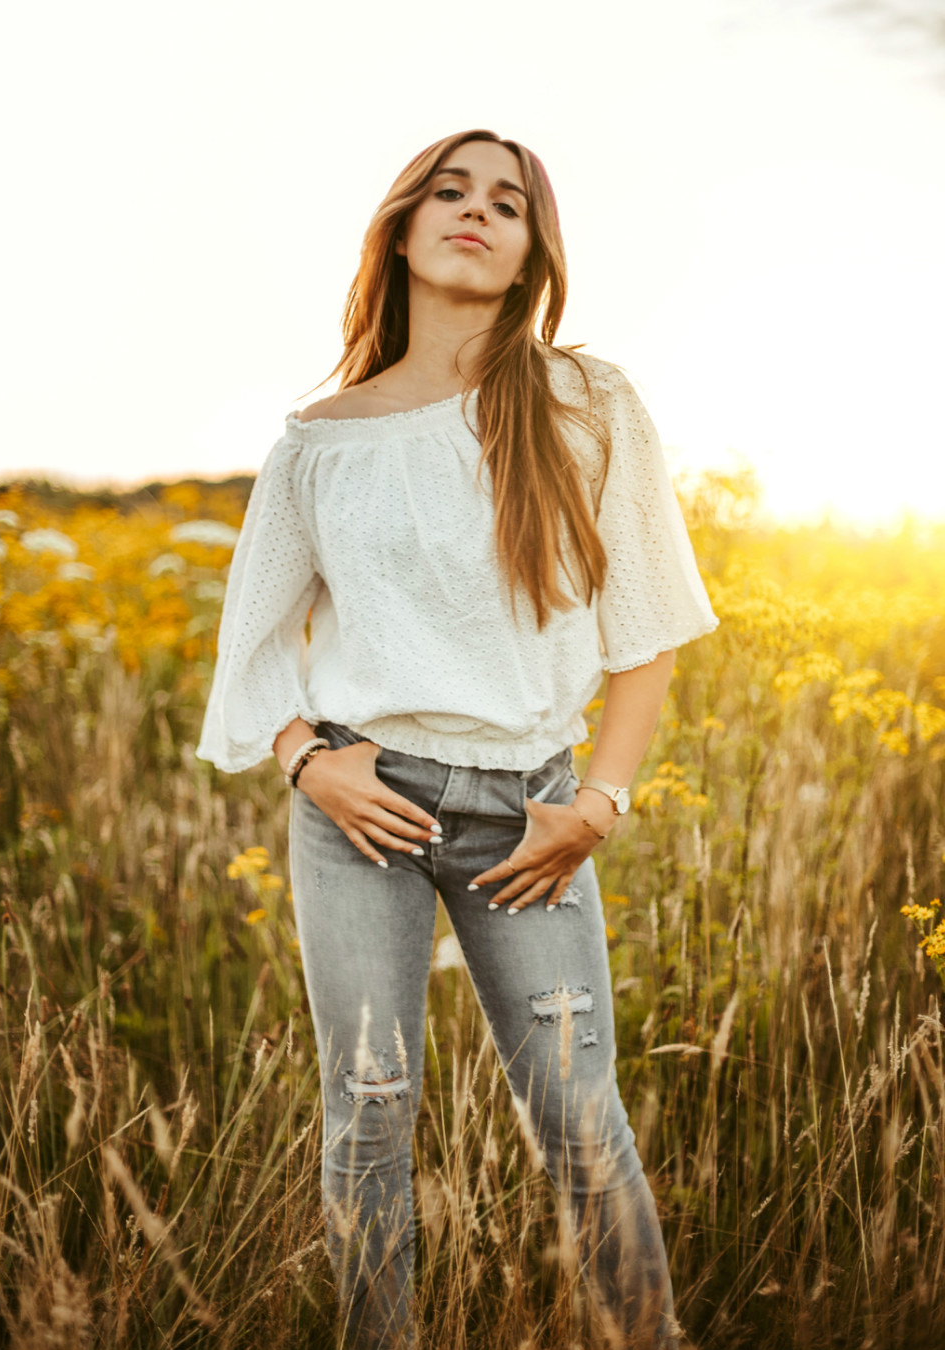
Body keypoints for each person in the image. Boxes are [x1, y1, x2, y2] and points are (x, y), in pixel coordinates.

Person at [197, 128, 717, 1350]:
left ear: (534, 253)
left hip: (532, 818)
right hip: (361, 811)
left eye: (507, 203)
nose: (476, 212)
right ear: (401, 228)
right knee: (368, 1109)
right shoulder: (320, 439)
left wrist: (596, 806)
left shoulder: (587, 401)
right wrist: (308, 761)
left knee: (578, 1121)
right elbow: (252, 643)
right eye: (450, 190)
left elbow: (648, 625)